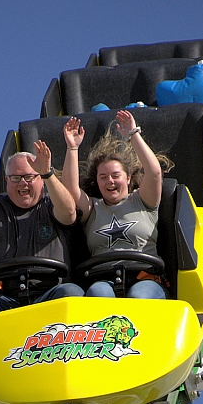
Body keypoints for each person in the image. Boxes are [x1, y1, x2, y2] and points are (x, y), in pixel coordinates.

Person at [0, 138, 84, 318]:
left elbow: (69, 212)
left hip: (50, 293)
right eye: (16, 178)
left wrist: (47, 173)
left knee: (72, 294)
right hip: (3, 298)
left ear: (41, 180)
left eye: (29, 177)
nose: (23, 183)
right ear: (7, 180)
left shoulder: (52, 204)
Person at [61, 110, 171, 299]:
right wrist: (72, 148)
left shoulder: (143, 200)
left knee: (139, 296)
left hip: (144, 278)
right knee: (97, 293)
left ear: (128, 178)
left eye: (115, 176)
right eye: (103, 177)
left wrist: (133, 134)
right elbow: (70, 189)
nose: (109, 181)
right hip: (104, 279)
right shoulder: (93, 209)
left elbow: (154, 173)